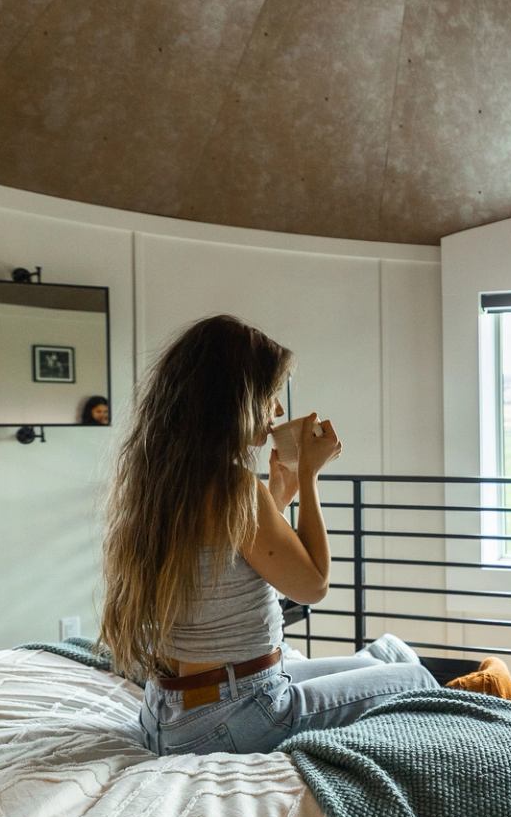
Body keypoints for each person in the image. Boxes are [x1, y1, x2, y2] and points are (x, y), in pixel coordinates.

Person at [99, 314, 436, 755]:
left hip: (167, 713)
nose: (276, 410)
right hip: (235, 714)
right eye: (269, 395)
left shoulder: (160, 480)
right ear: (234, 401)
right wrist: (310, 477)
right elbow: (313, 585)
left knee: (384, 656)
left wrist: (278, 494)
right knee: (416, 677)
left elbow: (227, 563)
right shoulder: (233, 487)